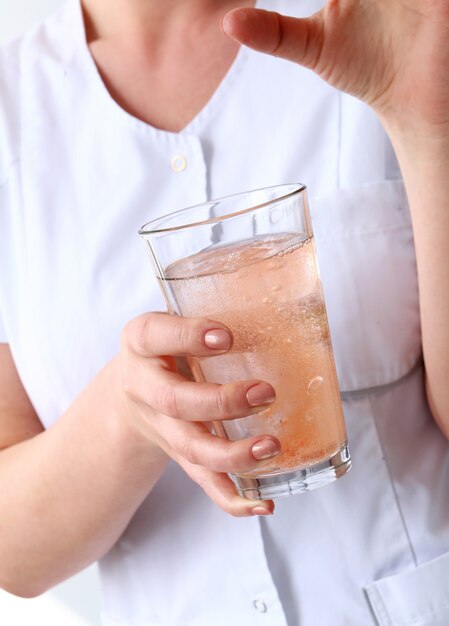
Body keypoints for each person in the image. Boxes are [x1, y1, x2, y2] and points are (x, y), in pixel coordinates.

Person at [1, 0, 449, 624]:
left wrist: (434, 132)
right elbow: (12, 552)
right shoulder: (12, 109)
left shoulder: (385, 21)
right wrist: (126, 415)